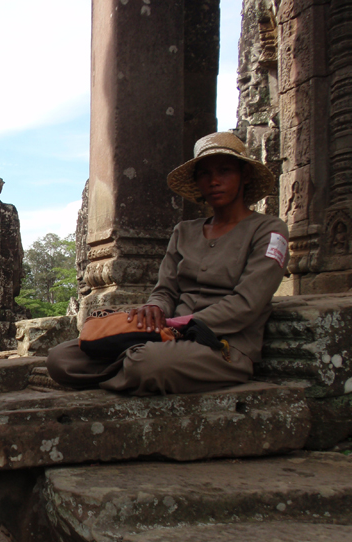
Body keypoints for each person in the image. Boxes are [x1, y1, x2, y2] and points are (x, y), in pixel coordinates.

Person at [46, 132, 289, 395]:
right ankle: (129, 366)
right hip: (164, 336)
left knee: (145, 363)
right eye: (204, 174)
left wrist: (180, 325)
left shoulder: (269, 231)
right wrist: (155, 308)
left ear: (245, 175)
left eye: (225, 171)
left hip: (222, 346)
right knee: (61, 359)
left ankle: (128, 366)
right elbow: (165, 290)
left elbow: (247, 303)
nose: (214, 181)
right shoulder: (184, 231)